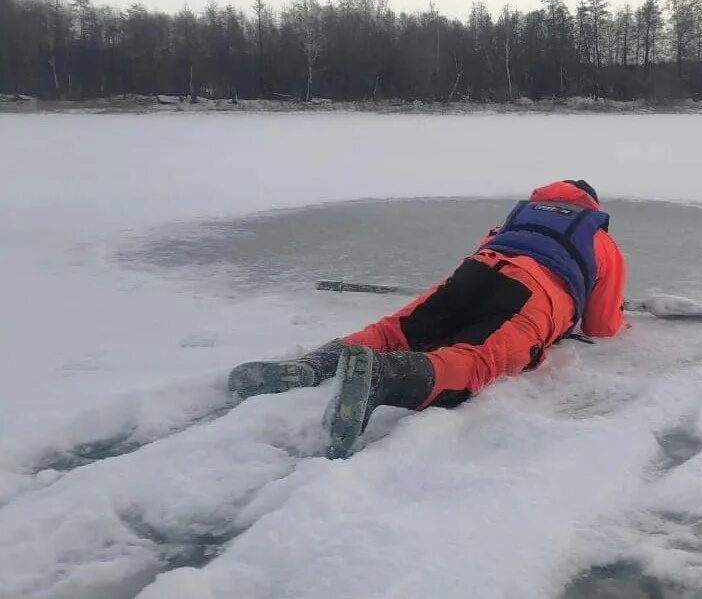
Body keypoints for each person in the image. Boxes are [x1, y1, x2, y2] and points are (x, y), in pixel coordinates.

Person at [228, 179, 628, 458]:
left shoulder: (519, 218)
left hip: (477, 270)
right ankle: (385, 377)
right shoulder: (600, 239)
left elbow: (489, 251)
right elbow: (601, 325)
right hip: (535, 295)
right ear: (591, 206)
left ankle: (311, 366)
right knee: (475, 358)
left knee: (397, 329)